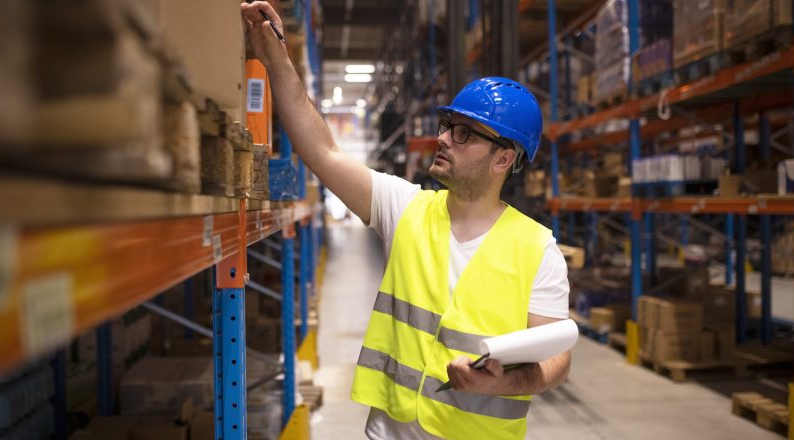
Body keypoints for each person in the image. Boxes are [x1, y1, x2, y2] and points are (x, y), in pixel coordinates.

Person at [242, 3, 571, 439]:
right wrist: (277, 60)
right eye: (447, 125)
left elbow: (557, 360)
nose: (442, 138)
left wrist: (505, 382)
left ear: (504, 158)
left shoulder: (537, 250)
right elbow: (322, 151)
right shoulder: (406, 208)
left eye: (464, 133)